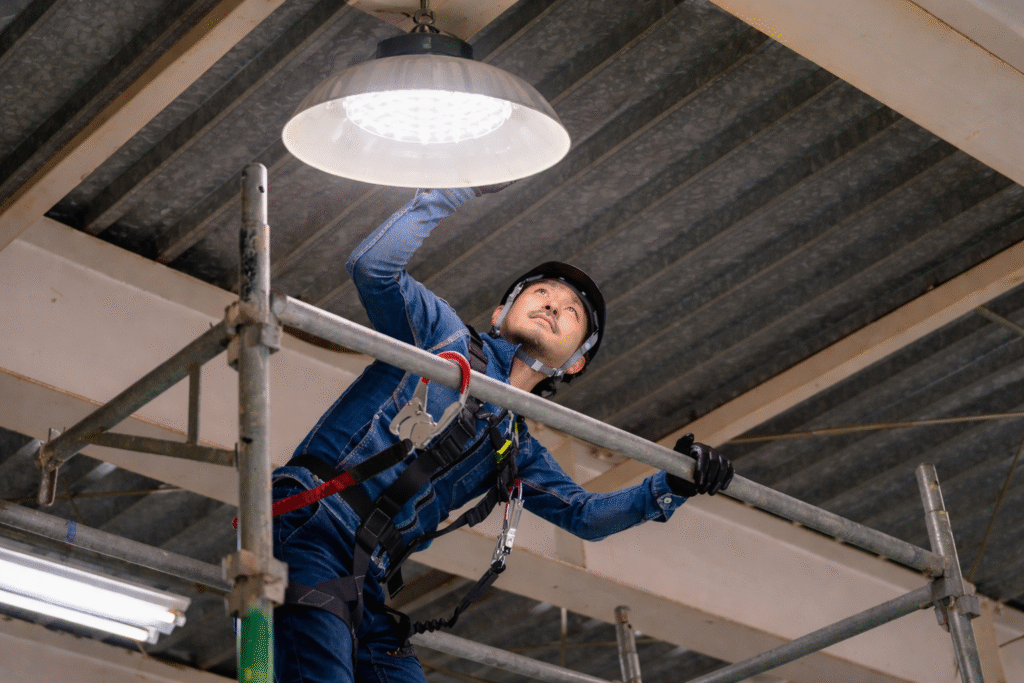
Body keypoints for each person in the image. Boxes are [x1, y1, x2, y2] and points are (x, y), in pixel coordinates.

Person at [270, 186, 734, 683]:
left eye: (571, 313)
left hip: (370, 575)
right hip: (313, 522)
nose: (554, 306)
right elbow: (372, 268)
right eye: (541, 294)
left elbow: (584, 515)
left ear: (575, 363)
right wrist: (452, 189)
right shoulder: (440, 336)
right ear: (498, 313)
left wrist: (674, 484)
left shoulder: (514, 448)